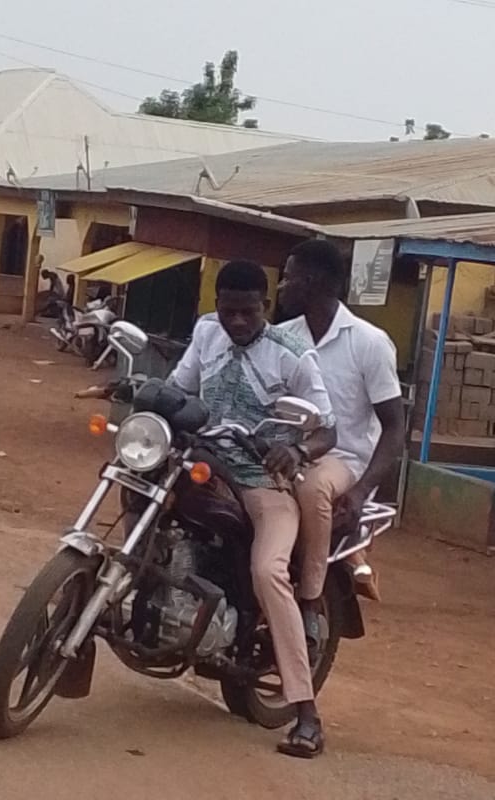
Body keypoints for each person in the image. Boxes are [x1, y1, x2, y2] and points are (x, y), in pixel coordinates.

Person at [170, 260, 337, 759]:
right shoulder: (206, 333)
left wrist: (300, 450)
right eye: (228, 312)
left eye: (247, 312)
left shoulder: (292, 354)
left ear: (264, 307)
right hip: (204, 461)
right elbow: (181, 388)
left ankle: (307, 714)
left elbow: (328, 428)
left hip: (264, 479)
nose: (237, 322)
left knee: (268, 571)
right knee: (139, 489)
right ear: (216, 305)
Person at [278, 239, 404, 613]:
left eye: (288, 278)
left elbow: (394, 426)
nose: (281, 286)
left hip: (345, 459)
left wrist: (363, 489)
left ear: (313, 281)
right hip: (292, 452)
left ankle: (310, 598)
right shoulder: (284, 336)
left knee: (315, 488)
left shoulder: (369, 343)